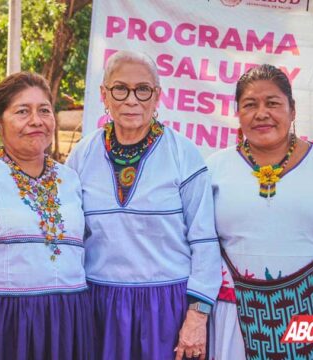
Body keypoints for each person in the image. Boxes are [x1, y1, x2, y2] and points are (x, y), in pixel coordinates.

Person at [208, 64, 313, 360]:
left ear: (293, 110)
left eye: (273, 103)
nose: (262, 113)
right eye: (250, 105)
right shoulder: (214, 169)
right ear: (237, 113)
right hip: (235, 318)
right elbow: (199, 247)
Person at [66, 50, 221, 360]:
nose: (131, 100)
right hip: (99, 304)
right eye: (120, 88)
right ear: (104, 94)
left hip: (166, 305)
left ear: (157, 95)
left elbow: (204, 241)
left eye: (143, 89)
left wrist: (197, 315)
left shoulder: (183, 154)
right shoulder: (82, 156)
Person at [0, 72, 93, 360]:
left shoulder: (71, 180)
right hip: (5, 320)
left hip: (69, 319)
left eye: (44, 110)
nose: (36, 120)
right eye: (22, 111)